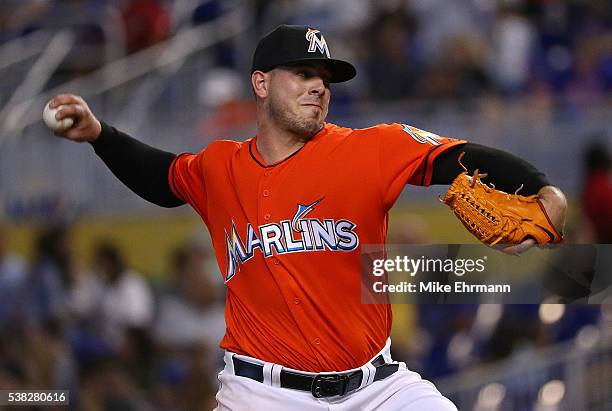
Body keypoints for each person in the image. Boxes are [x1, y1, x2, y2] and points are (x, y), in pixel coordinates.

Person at [47, 24, 566, 411]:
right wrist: (100, 135)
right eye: (303, 73)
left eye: (325, 77)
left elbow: (460, 156)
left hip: (378, 390)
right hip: (260, 394)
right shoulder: (219, 166)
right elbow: (161, 178)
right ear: (261, 83)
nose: (319, 86)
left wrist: (544, 190)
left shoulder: (371, 149)